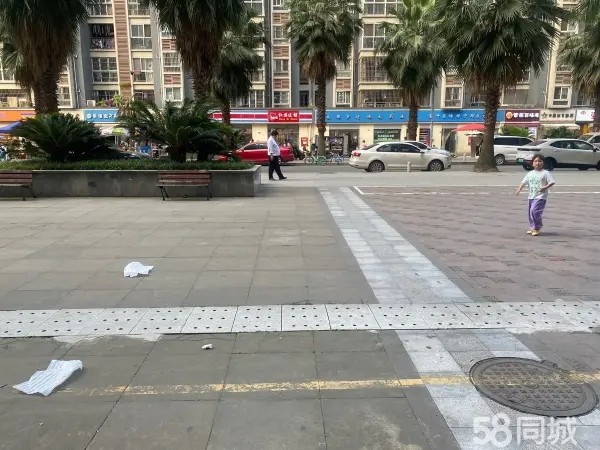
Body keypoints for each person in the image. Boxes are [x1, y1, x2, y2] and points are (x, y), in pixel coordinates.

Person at [516, 154, 555, 236]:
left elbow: (552, 182)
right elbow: (524, 182)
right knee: (530, 212)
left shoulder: (545, 173)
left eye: (540, 161)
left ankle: (537, 227)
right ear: (532, 163)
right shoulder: (530, 173)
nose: (538, 163)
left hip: (541, 196)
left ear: (543, 163)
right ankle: (532, 227)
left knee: (534, 211)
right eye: (536, 161)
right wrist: (519, 189)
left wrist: (545, 187)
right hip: (531, 196)